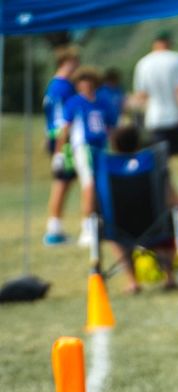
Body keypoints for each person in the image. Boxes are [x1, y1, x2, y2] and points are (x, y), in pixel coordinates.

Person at [105, 126, 178, 294]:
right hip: (155, 226)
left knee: (115, 236)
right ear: (138, 143)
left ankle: (132, 281)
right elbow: (175, 201)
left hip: (121, 228)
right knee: (166, 225)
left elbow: (93, 204)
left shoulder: (106, 168)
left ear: (114, 145)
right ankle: (169, 277)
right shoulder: (153, 163)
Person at [133, 31, 178, 205]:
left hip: (155, 119)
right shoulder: (177, 59)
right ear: (168, 43)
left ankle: (171, 197)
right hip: (177, 116)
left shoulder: (143, 63)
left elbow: (141, 96)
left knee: (162, 163)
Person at [52, 67, 115, 248]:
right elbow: (65, 130)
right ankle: (87, 227)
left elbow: (110, 126)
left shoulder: (102, 102)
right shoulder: (74, 103)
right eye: (82, 81)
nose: (86, 84)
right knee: (89, 185)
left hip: (101, 148)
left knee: (101, 185)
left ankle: (100, 223)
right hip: (83, 148)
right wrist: (59, 153)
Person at [43, 46, 80, 246]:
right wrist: (59, 149)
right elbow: (62, 119)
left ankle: (55, 226)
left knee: (64, 183)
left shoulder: (52, 85)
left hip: (55, 138)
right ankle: (53, 228)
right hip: (62, 139)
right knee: (61, 183)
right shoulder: (64, 86)